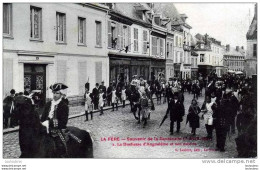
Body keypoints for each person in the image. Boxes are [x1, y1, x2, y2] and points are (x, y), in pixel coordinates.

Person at [41, 83, 69, 158]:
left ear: (61, 94)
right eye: (54, 93)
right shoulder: (48, 104)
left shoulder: (64, 106)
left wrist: (49, 123)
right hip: (45, 130)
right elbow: (43, 118)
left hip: (57, 131)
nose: (55, 95)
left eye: (57, 93)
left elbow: (63, 122)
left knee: (59, 148)